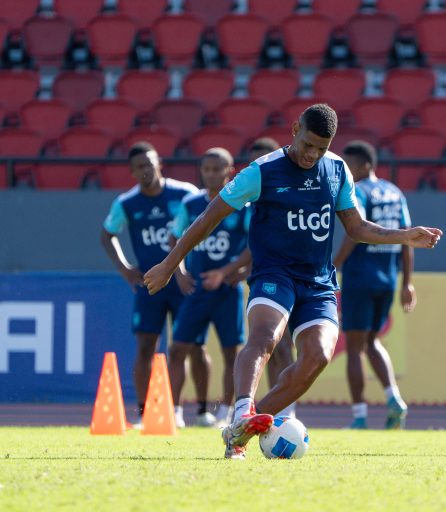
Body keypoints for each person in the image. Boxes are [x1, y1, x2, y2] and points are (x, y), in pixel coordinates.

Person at [143, 104, 442, 459]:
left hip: (318, 282)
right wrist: (169, 263)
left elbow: (357, 228)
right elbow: (210, 216)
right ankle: (241, 409)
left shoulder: (337, 170)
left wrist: (404, 236)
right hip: (275, 275)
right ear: (295, 128)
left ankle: (243, 428)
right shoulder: (262, 172)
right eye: (308, 144)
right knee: (265, 338)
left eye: (322, 147)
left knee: (318, 355)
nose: (312, 154)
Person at [100, 142, 200, 427]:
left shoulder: (185, 195)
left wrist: (191, 265)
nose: (147, 169)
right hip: (150, 285)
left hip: (183, 282)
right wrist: (125, 269)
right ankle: (145, 414)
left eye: (150, 163)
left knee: (190, 346)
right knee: (146, 347)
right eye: (140, 166)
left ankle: (183, 411)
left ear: (160, 163)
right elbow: (107, 235)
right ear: (132, 171)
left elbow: (205, 223)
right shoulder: (127, 203)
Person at [333, 140, 414, 430]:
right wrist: (408, 283)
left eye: (350, 166)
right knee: (371, 341)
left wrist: (332, 266)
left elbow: (356, 231)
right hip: (387, 279)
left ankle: (359, 416)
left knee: (354, 348)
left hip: (360, 277)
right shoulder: (395, 192)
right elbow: (407, 238)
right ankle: (394, 397)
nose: (347, 172)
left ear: (365, 165)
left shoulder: (360, 191)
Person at [169, 148, 250, 428]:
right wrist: (179, 273)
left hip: (227, 290)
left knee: (232, 352)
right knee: (179, 348)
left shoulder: (242, 205)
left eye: (218, 169)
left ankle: (226, 412)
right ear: (201, 171)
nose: (212, 174)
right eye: (207, 169)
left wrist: (227, 272)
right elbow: (173, 238)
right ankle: (175, 411)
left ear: (230, 172)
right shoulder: (191, 204)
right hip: (196, 290)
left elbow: (255, 245)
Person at [247, 137, 298, 419]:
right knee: (265, 345)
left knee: (284, 345)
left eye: (266, 158)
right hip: (264, 277)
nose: (262, 165)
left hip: (295, 277)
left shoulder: (292, 189)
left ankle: (286, 411)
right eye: (256, 160)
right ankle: (264, 410)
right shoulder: (251, 197)